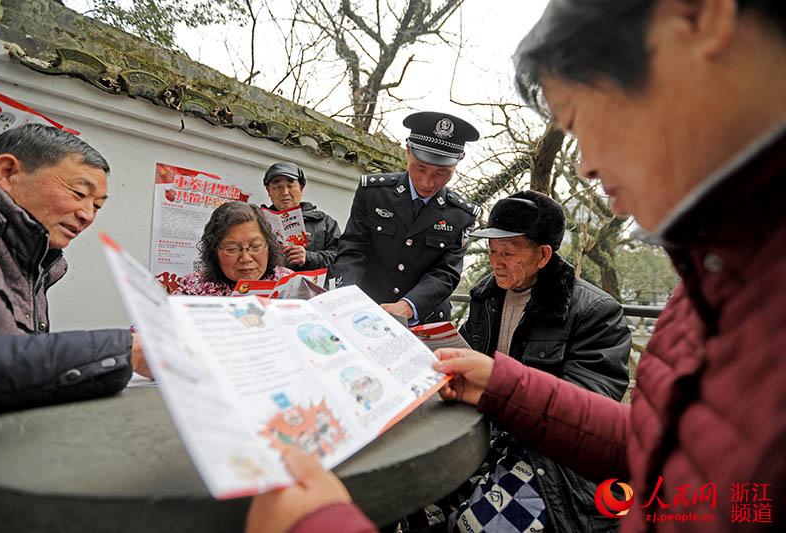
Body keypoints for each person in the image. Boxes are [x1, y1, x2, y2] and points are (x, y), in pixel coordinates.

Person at [247, 0, 786, 530]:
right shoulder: (709, 282)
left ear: (696, 19)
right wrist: (500, 383)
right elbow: (659, 447)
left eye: (580, 119)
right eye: (494, 250)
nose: (588, 165)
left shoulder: (640, 298)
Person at [402, 190, 631, 532]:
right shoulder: (487, 293)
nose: (496, 262)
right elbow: (467, 349)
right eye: (493, 252)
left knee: (472, 525)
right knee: (409, 488)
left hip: (546, 456)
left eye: (508, 253)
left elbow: (586, 410)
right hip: (480, 428)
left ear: (543, 255)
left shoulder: (595, 312)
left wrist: (502, 390)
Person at [0, 124, 150, 415]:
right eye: (78, 193)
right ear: (8, 173)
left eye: (97, 206)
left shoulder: (37, 259)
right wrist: (128, 350)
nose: (87, 215)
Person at [334, 112, 480, 325]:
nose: (427, 183)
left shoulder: (461, 214)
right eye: (420, 168)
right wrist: (345, 296)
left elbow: (446, 272)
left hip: (424, 318)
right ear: (408, 151)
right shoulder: (373, 193)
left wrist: (409, 305)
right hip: (366, 310)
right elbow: (353, 249)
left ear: (459, 161)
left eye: (441, 173)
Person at [174, 201, 293, 296]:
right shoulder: (191, 289)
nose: (246, 258)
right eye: (232, 249)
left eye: (255, 247)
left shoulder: (289, 283)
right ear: (214, 251)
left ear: (269, 246)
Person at [262, 162, 341, 274]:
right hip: (269, 289)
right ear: (268, 190)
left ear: (301, 188)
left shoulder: (324, 222)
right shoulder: (258, 222)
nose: (285, 192)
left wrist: (308, 257)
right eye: (278, 187)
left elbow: (342, 258)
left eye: (290, 186)